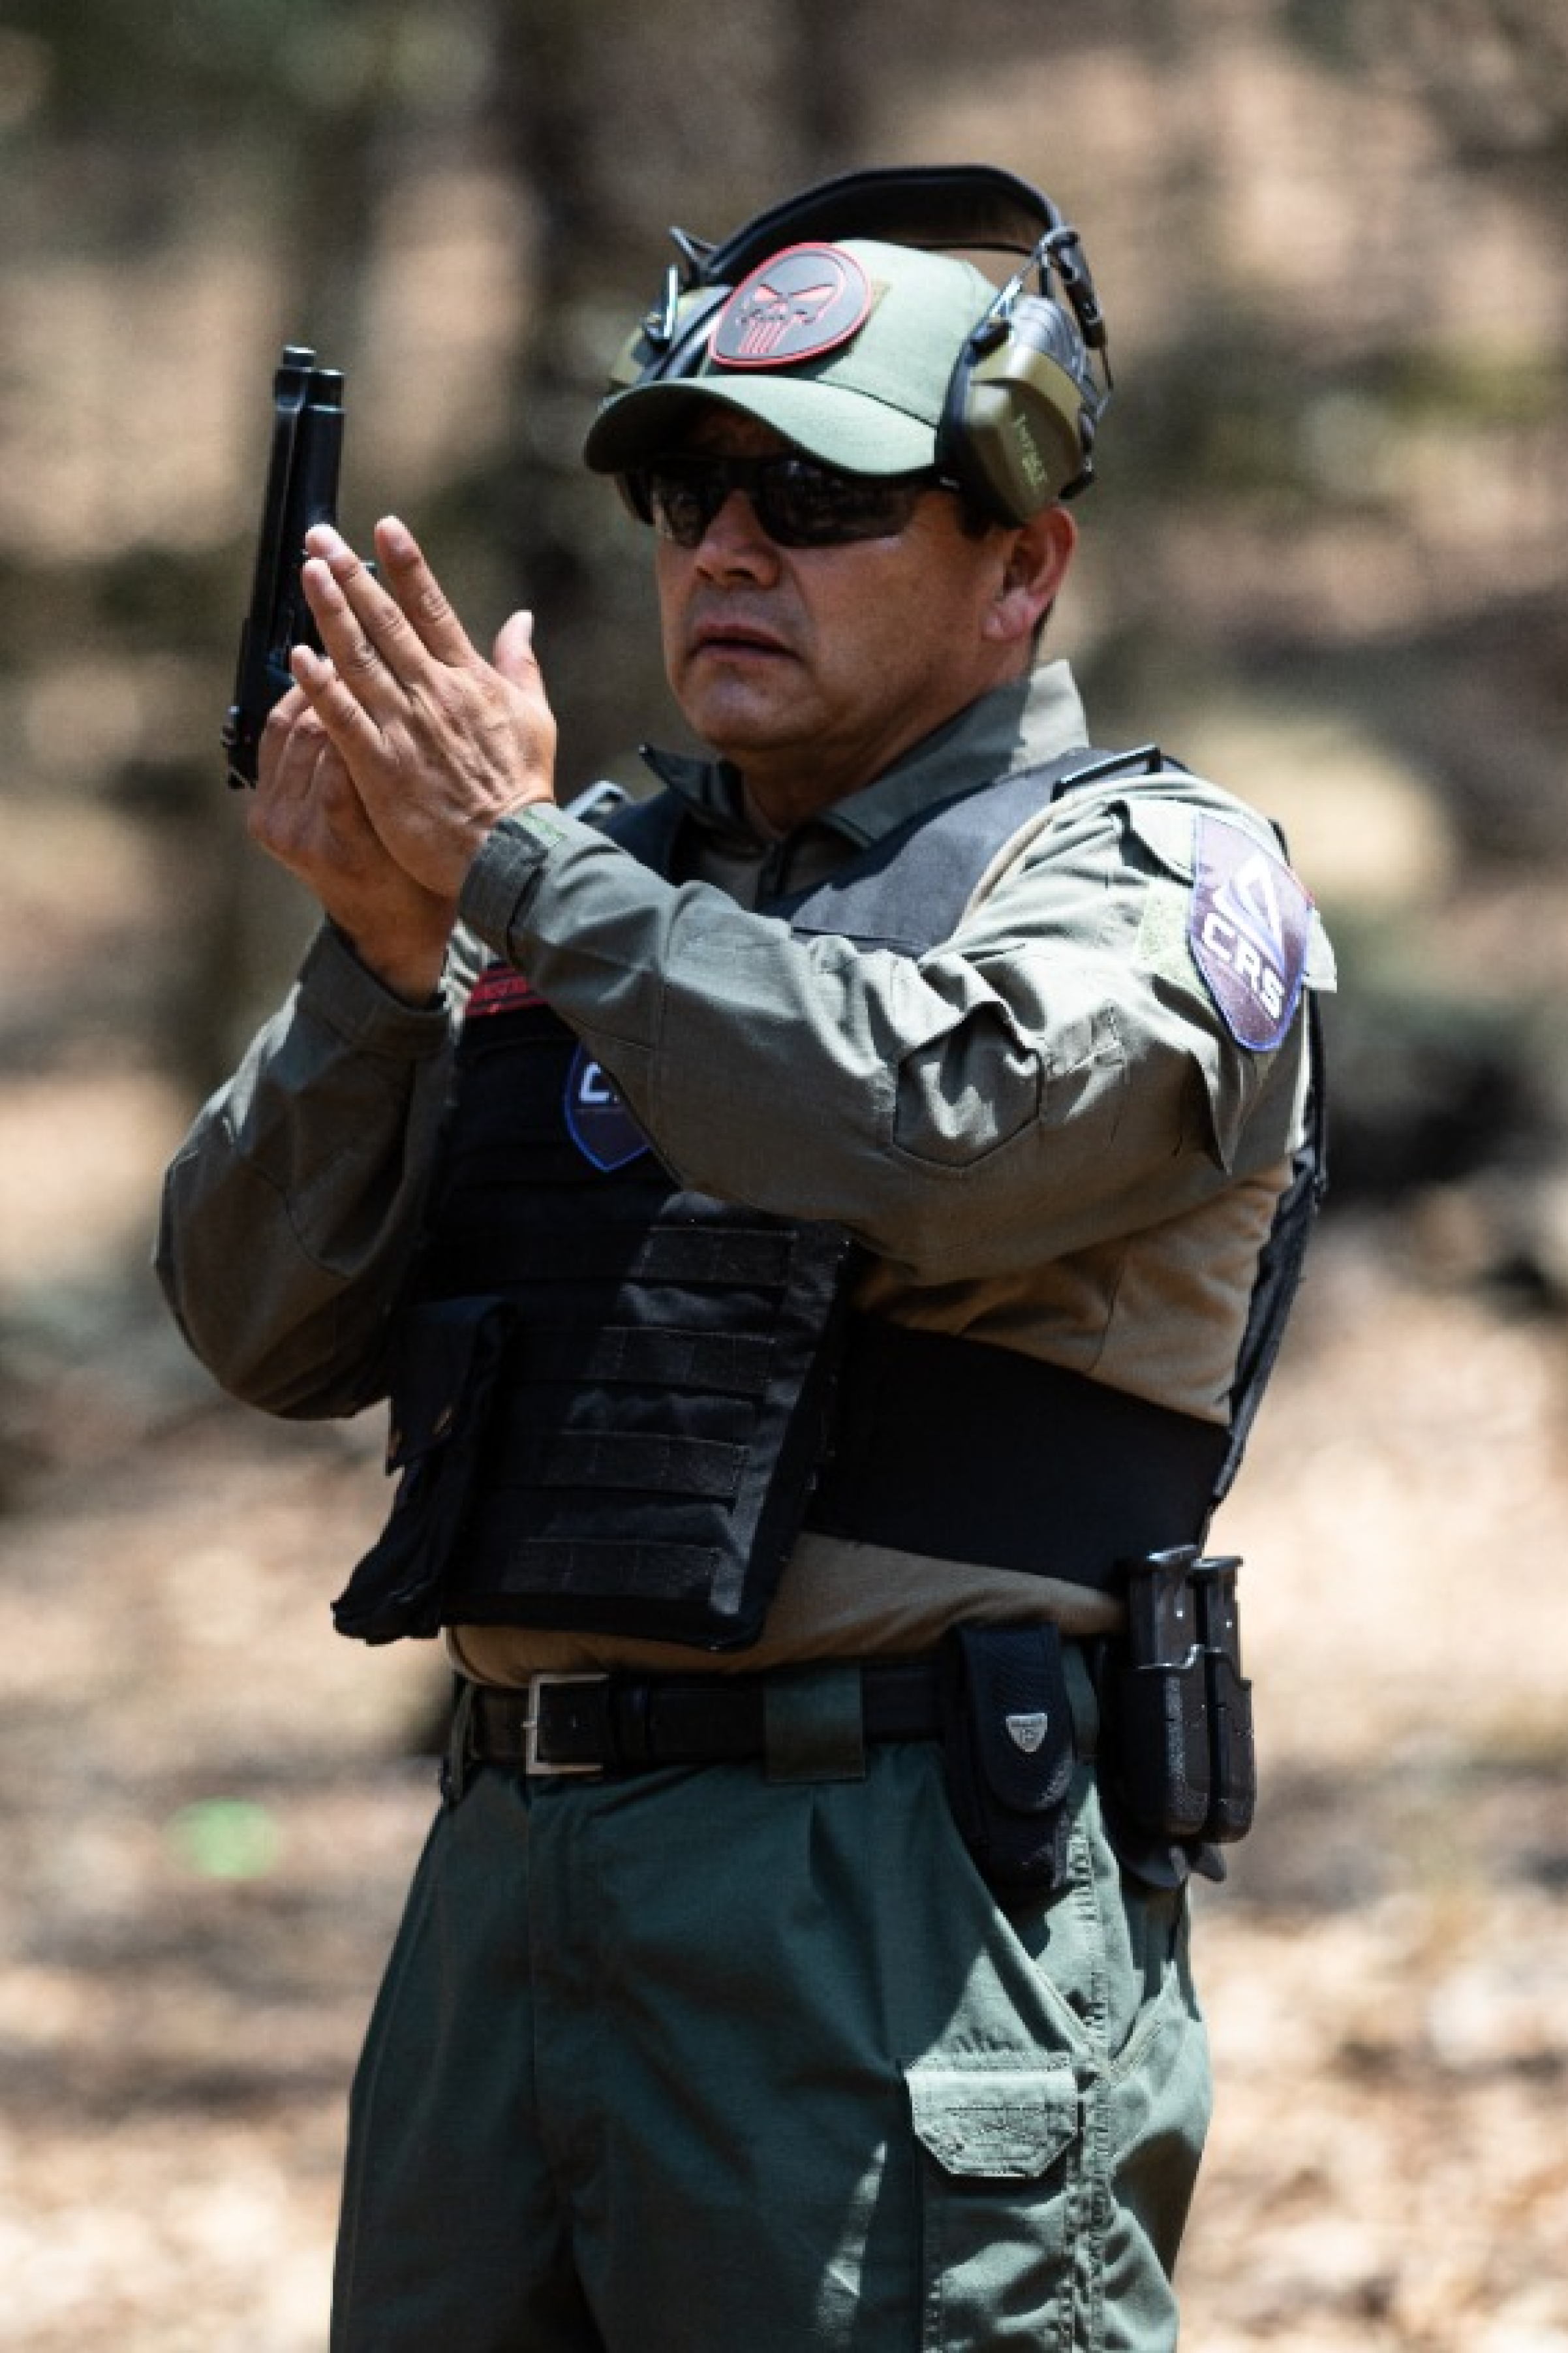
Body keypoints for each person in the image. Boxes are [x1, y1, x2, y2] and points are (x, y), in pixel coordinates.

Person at [157, 164, 1333, 2352]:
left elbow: (910, 1122)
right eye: (692, 486)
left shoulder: (1159, 879)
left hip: (888, 1898)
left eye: (820, 491)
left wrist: (513, 875)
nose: (729, 544)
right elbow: (258, 1319)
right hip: (510, 1882)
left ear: (1022, 566)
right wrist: (376, 954)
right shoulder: (588, 884)